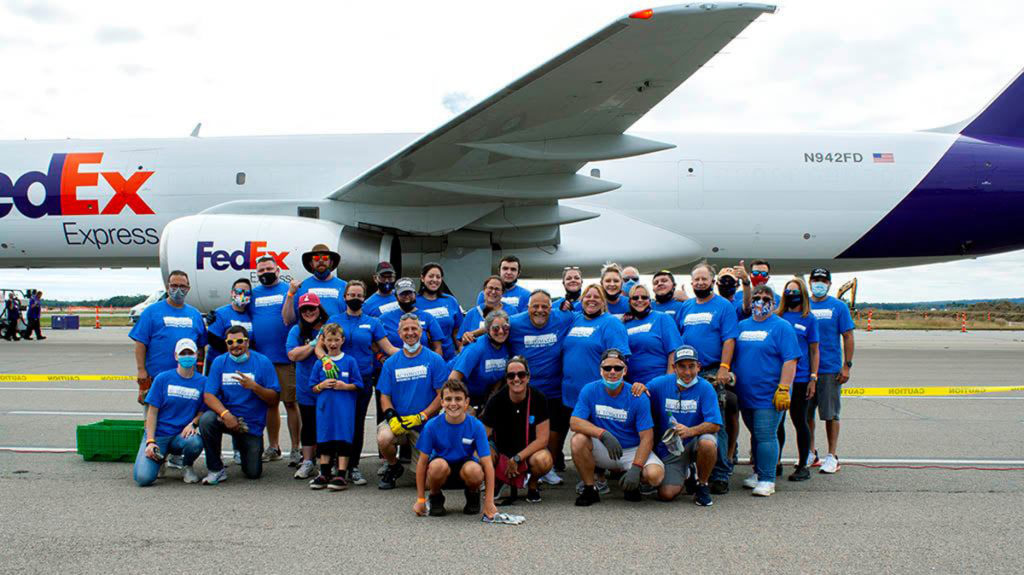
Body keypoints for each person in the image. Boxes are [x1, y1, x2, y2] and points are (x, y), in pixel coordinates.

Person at [570, 349, 663, 506]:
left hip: (631, 450)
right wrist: (602, 434)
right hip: (605, 447)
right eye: (607, 368)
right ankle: (590, 488)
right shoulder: (589, 389)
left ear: (625, 370)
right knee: (577, 440)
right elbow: (575, 422)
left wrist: (636, 467)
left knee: (655, 475)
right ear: (600, 370)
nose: (612, 372)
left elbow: (647, 437)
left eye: (617, 368)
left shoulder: (637, 395)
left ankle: (633, 483)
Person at [677, 262, 740, 494]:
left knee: (715, 424)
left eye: (704, 279)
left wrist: (724, 367)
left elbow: (729, 339)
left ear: (712, 282)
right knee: (690, 422)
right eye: (697, 280)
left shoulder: (723, 306)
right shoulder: (687, 307)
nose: (700, 283)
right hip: (686, 372)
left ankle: (720, 474)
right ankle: (693, 470)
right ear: (692, 283)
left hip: (712, 372)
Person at [326, 281, 398, 484]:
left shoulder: (373, 322)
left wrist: (413, 353)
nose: (355, 298)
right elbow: (321, 346)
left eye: (359, 295)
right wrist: (324, 360)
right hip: (336, 379)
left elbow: (388, 348)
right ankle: (334, 464)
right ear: (345, 297)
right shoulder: (334, 320)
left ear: (364, 298)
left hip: (362, 379)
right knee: (338, 422)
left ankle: (354, 466)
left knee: (357, 422)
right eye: (351, 295)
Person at [733, 285, 800, 496]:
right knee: (755, 435)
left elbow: (790, 359)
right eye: (757, 297)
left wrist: (784, 388)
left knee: (765, 435)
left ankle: (768, 479)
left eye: (766, 297)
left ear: (774, 301)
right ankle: (758, 471)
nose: (761, 301)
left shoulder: (782, 327)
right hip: (746, 394)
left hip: (769, 395)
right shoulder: (742, 326)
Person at [376, 313, 449, 489]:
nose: (410, 333)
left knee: (427, 482)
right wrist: (392, 417)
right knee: (384, 438)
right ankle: (394, 467)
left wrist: (423, 416)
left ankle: (420, 466)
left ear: (421, 331)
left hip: (425, 424)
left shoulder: (434, 360)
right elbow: (384, 396)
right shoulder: (391, 362)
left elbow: (442, 395)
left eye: (414, 328)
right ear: (399, 333)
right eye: (406, 329)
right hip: (400, 422)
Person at [507, 289, 573, 484]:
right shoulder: (515, 322)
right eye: (535, 306)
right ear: (527, 307)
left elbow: (588, 314)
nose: (540, 310)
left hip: (553, 389)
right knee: (525, 430)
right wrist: (471, 334)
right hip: (525, 390)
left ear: (551, 308)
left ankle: (548, 467)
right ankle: (525, 467)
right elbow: (495, 326)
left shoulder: (563, 317)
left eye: (544, 306)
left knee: (552, 432)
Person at [200, 325, 281, 483]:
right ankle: (216, 469)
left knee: (253, 473)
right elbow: (209, 395)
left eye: (239, 341)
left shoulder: (263, 362)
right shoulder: (219, 362)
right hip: (226, 418)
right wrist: (226, 415)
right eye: (230, 342)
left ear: (247, 342)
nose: (235, 345)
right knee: (207, 420)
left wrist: (255, 387)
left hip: (250, 424)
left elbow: (274, 400)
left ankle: (243, 445)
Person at [645, 345, 722, 506]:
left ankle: (702, 485)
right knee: (666, 494)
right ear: (674, 367)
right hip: (671, 447)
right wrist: (638, 387)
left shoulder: (706, 388)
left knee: (708, 442)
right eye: (682, 366)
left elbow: (715, 424)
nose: (687, 372)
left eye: (691, 366)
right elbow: (642, 393)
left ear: (698, 367)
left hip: (694, 441)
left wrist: (690, 431)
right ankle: (688, 472)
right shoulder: (659, 384)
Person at [412, 379, 498, 519]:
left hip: (465, 470)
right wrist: (420, 499)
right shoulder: (431, 426)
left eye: (458, 399)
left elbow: (488, 465)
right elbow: (422, 463)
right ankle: (435, 496)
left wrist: (489, 502)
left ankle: (472, 494)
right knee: (437, 466)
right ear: (442, 403)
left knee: (475, 470)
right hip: (441, 472)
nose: (453, 403)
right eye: (448, 399)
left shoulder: (476, 426)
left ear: (466, 402)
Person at [479, 357, 553, 504]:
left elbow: (543, 439)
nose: (516, 379)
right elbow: (483, 435)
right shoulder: (496, 400)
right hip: (501, 449)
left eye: (521, 374)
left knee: (544, 460)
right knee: (480, 453)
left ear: (528, 377)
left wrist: (518, 458)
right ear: (506, 379)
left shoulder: (539, 398)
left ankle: (532, 485)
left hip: (527, 450)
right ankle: (496, 480)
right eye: (511, 376)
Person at [133, 338, 206, 486]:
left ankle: (187, 466)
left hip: (181, 435)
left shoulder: (203, 381)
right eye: (183, 353)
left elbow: (203, 410)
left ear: (196, 355)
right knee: (143, 478)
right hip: (159, 435)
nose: (186, 356)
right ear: (176, 356)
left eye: (190, 353)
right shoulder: (163, 379)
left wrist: (193, 423)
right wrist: (150, 441)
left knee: (195, 442)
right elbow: (152, 413)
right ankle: (160, 458)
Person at [249, 256, 300, 465]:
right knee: (270, 404)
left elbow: (294, 318)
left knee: (290, 402)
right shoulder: (253, 295)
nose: (265, 273)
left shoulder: (290, 291)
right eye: (261, 270)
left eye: (269, 269)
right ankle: (274, 446)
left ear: (278, 270)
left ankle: (296, 447)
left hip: (285, 358)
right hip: (261, 359)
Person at [129, 271, 206, 405]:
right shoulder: (151, 312)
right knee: (154, 416)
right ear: (167, 287)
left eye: (182, 287)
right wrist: (141, 370)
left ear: (188, 289)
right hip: (156, 378)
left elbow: (201, 347)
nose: (178, 290)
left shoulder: (195, 314)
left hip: (186, 378)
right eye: (174, 286)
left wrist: (198, 372)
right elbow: (140, 343)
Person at [807, 267, 855, 474]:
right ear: (810, 282)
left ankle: (832, 455)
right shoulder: (802, 305)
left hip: (829, 369)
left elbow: (848, 336)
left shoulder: (838, 307)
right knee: (805, 414)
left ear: (829, 284)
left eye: (823, 280)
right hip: (805, 370)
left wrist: (847, 364)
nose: (819, 283)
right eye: (816, 280)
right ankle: (810, 451)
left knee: (830, 415)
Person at [307, 323, 364, 491]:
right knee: (325, 439)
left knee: (343, 439)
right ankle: (324, 473)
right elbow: (312, 387)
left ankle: (341, 474)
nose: (333, 344)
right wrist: (322, 385)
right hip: (325, 410)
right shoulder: (320, 364)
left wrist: (344, 386)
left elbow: (358, 384)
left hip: (344, 410)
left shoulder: (350, 361)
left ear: (342, 340)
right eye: (329, 340)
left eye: (336, 340)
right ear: (323, 341)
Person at [778, 277, 819, 481]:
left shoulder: (809, 318)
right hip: (780, 378)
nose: (791, 295)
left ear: (802, 294)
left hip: (801, 378)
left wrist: (813, 377)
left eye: (795, 291)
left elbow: (814, 350)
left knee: (799, 420)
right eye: (788, 291)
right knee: (777, 422)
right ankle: (774, 462)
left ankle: (803, 464)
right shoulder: (779, 316)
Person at [286, 293, 329, 480]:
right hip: (306, 387)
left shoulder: (329, 328)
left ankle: (326, 461)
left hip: (328, 385)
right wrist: (314, 344)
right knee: (309, 425)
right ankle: (308, 461)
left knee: (328, 424)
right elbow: (293, 355)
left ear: (319, 309)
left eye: (312, 308)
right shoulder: (296, 330)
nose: (309, 312)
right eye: (304, 309)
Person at [449, 309, 510, 413]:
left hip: (483, 395)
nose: (501, 331)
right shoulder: (476, 348)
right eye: (495, 328)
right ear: (487, 330)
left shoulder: (507, 347)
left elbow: (498, 377)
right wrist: (464, 405)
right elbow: (452, 380)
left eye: (505, 328)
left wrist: (489, 403)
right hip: (459, 391)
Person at [622, 284, 681, 385]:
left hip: (659, 382)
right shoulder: (624, 324)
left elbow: (674, 351)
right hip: (632, 385)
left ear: (650, 301)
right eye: (635, 297)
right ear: (629, 302)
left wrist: (669, 380)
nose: (640, 300)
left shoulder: (662, 318)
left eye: (644, 297)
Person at [379, 277, 444, 355]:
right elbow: (372, 340)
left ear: (415, 294)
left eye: (409, 293)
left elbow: (437, 347)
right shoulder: (384, 319)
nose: (407, 297)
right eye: (402, 294)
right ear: (396, 296)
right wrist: (379, 356)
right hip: (395, 364)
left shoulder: (427, 317)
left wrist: (435, 365)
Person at [284, 243, 348, 321]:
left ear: (331, 262)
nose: (321, 261)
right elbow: (288, 320)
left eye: (325, 258)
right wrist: (290, 295)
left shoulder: (344, 286)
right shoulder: (301, 287)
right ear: (311, 263)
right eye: (316, 258)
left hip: (336, 332)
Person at [416, 263, 464, 360]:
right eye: (431, 276)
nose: (434, 280)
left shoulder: (450, 301)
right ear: (422, 278)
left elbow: (457, 331)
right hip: (423, 358)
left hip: (450, 358)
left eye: (438, 277)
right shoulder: (415, 302)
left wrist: (461, 352)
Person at [205, 278, 253, 369]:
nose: (242, 295)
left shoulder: (251, 315)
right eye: (238, 292)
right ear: (232, 293)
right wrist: (235, 352)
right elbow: (213, 339)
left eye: (246, 293)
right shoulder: (220, 313)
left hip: (243, 363)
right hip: (220, 364)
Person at [460, 276, 516, 344]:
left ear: (503, 292)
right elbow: (461, 342)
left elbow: (515, 336)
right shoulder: (472, 313)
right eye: (490, 288)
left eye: (497, 289)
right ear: (484, 290)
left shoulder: (512, 311)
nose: (493, 292)